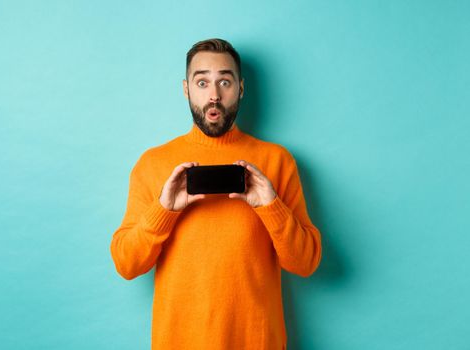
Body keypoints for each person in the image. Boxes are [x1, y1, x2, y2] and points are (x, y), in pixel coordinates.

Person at [110, 38, 322, 350]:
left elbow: (305, 263)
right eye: (202, 82)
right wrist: (164, 210)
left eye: (225, 81)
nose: (214, 95)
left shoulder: (277, 160)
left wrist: (271, 206)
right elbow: (127, 265)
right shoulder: (152, 164)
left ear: (241, 88)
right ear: (186, 89)